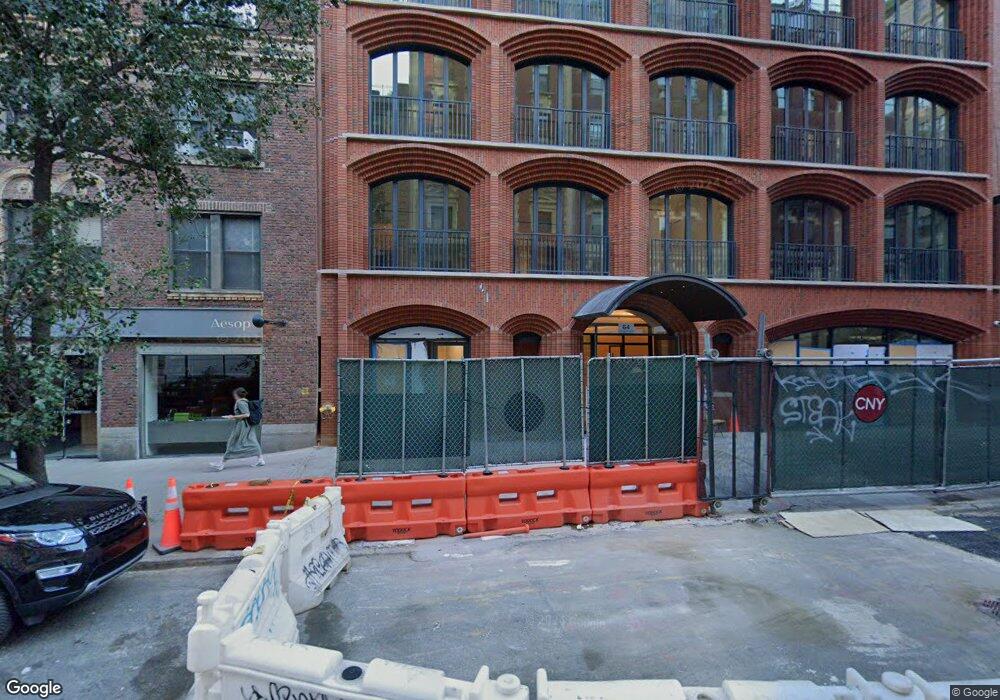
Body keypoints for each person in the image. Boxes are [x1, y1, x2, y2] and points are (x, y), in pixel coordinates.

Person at [210, 387, 264, 470]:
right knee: (252, 441)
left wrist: (232, 417)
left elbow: (247, 414)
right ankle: (260, 459)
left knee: (232, 442)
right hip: (246, 425)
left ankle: (221, 464)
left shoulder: (240, 402)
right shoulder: (244, 401)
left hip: (242, 426)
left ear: (236, 395)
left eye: (234, 394)